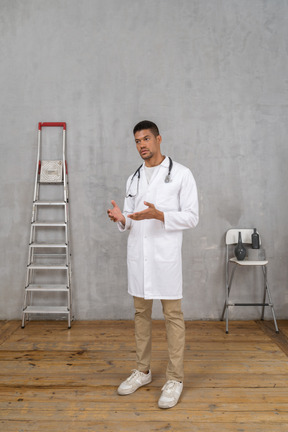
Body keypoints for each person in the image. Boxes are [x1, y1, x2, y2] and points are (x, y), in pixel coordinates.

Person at [107, 120, 199, 409]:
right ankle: (143, 371)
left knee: (173, 316)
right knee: (140, 314)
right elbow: (132, 219)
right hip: (139, 258)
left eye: (146, 139)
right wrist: (122, 219)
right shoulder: (133, 179)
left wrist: (161, 215)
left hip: (165, 257)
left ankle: (175, 378)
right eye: (137, 141)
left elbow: (192, 217)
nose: (142, 145)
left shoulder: (181, 174)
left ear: (159, 139)